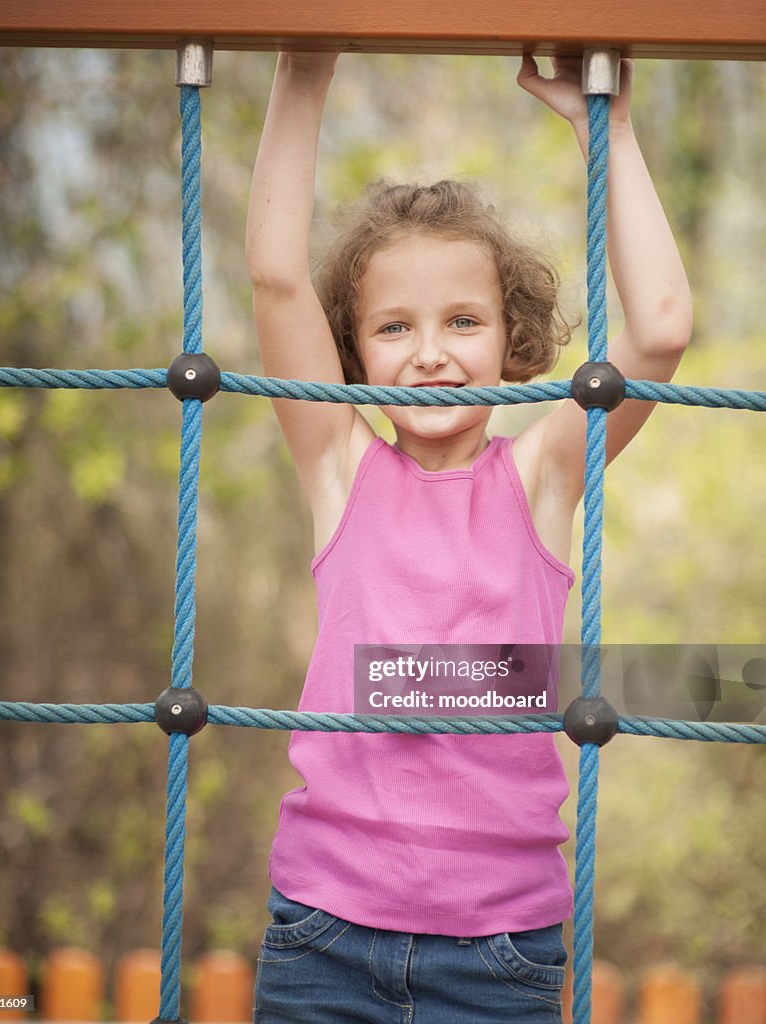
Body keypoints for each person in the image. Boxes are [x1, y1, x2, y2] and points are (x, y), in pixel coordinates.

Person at [245, 50, 691, 1023]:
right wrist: (304, 72)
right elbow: (276, 280)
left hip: (498, 960)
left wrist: (603, 127)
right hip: (323, 935)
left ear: (511, 341)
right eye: (394, 329)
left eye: (461, 320)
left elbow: (658, 331)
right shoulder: (339, 469)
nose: (433, 353)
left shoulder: (540, 479)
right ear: (352, 355)